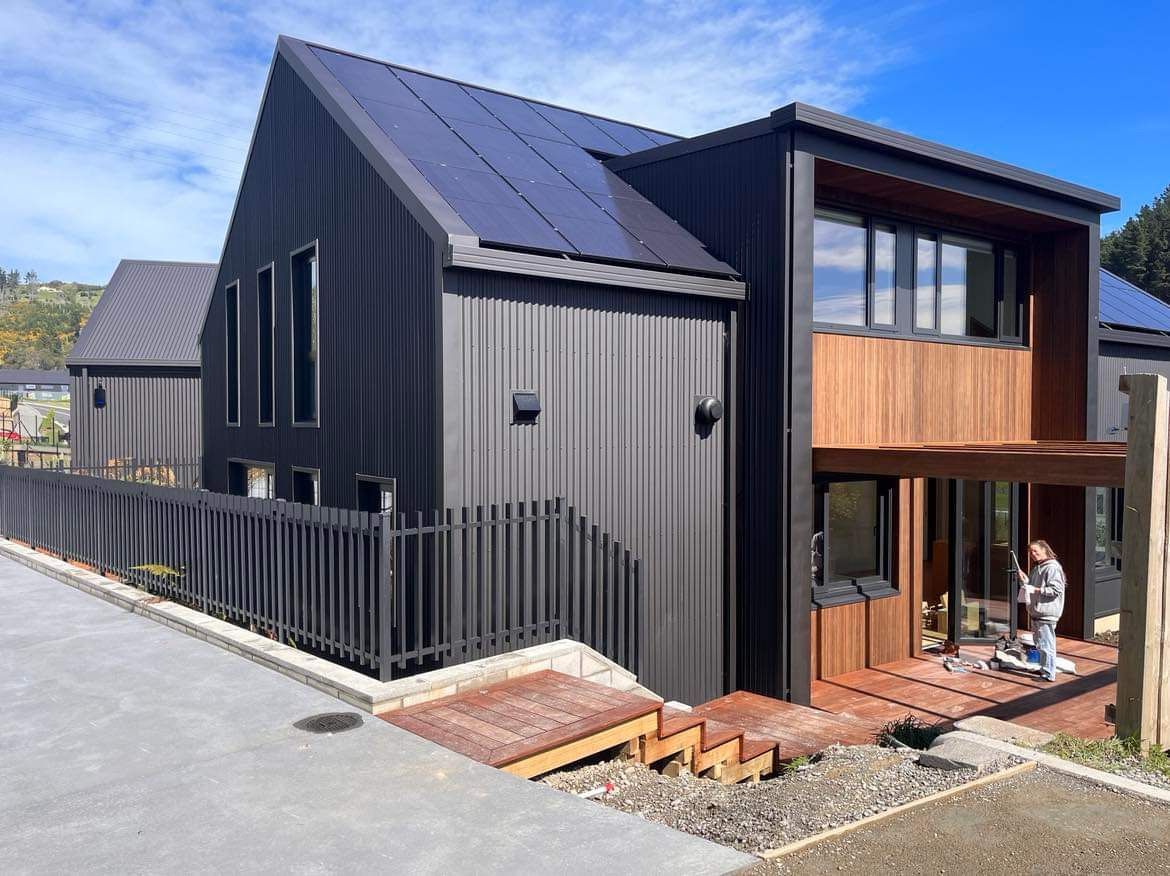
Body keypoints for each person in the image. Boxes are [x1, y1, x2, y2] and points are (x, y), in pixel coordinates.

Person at [1015, 539, 1066, 682]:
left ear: (1045, 550)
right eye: (1030, 551)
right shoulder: (1038, 568)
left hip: (1046, 612)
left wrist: (1035, 589)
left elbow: (1056, 590)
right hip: (1037, 611)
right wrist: (1024, 580)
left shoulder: (1052, 568)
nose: (1032, 554)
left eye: (1035, 551)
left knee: (1046, 644)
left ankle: (1049, 674)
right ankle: (1045, 668)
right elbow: (1030, 587)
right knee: (1040, 643)